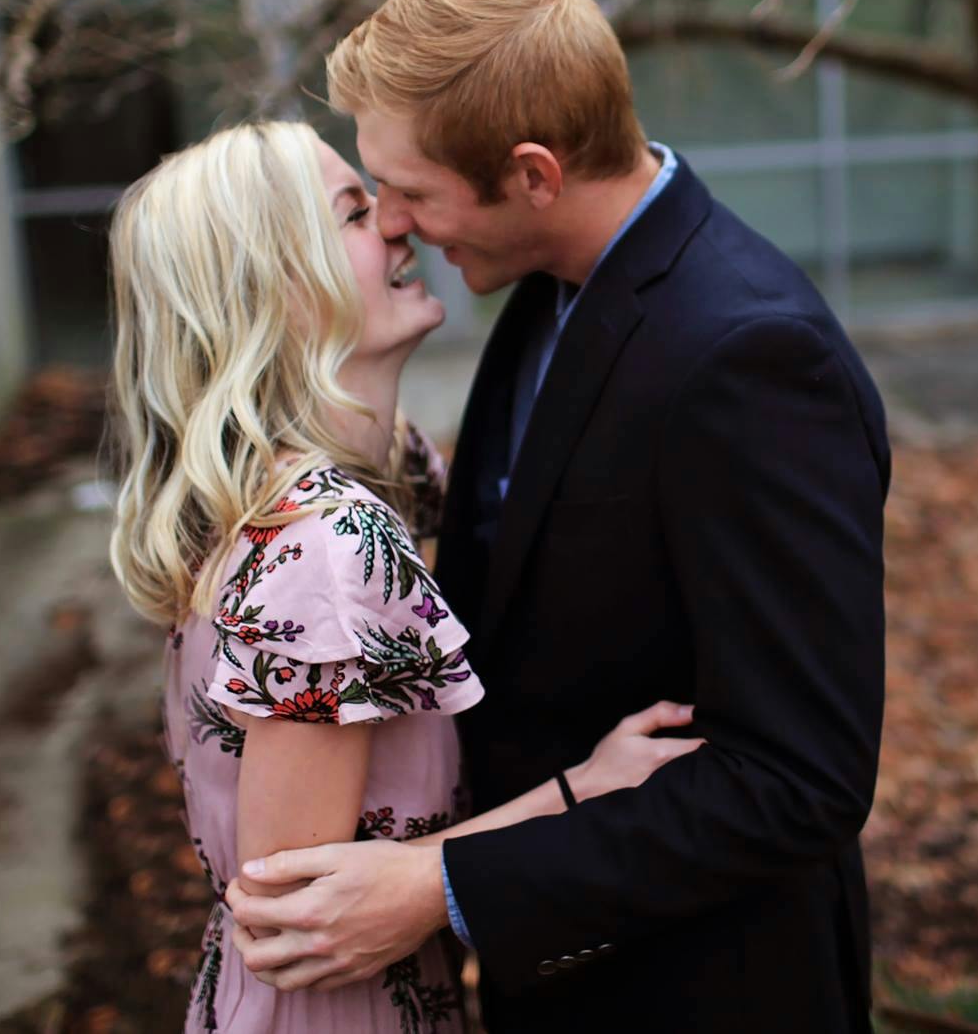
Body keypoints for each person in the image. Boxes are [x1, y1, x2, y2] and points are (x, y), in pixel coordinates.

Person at [225, 0, 892, 1033]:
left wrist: (443, 887)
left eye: (410, 190)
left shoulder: (752, 359)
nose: (392, 222)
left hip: (702, 992)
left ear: (533, 173)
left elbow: (798, 781)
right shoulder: (548, 288)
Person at [106, 120, 704, 1034]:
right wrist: (584, 789)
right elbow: (290, 913)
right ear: (278, 290)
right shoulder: (328, 543)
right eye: (354, 212)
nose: (398, 223)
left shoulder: (369, 476)